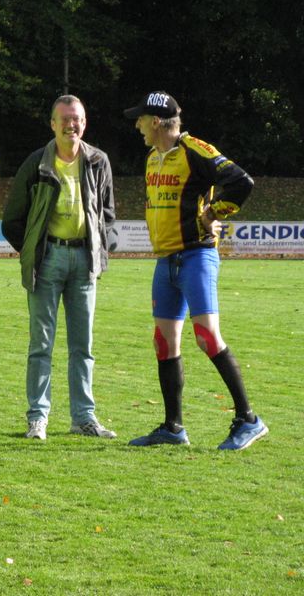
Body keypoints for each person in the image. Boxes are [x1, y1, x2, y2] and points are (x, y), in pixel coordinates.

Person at [123, 91, 268, 450]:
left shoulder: (194, 150)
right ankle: (173, 428)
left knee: (206, 336)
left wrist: (215, 211)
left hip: (196, 256)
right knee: (164, 342)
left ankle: (249, 419)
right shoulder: (152, 157)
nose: (137, 125)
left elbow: (241, 181)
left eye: (141, 119)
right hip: (166, 260)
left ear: (156, 121)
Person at [2, 95, 118, 441]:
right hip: (47, 259)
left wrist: (101, 246)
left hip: (85, 260)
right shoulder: (37, 162)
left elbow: (108, 214)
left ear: (85, 123)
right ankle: (38, 418)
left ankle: (83, 418)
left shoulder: (98, 160)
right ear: (52, 124)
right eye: (65, 119)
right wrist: (33, 251)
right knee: (41, 344)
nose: (72, 125)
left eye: (77, 118)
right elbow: (12, 220)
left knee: (83, 345)